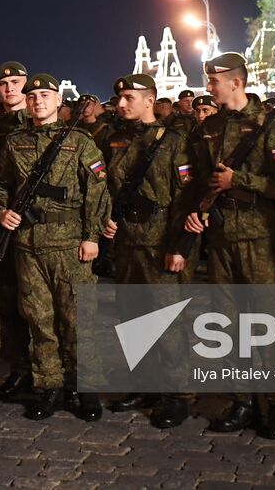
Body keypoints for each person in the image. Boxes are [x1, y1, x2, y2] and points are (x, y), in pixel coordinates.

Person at [167, 54, 275, 438]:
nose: (209, 87)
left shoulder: (271, 125)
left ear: (235, 82)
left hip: (257, 235)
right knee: (228, 322)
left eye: (214, 81)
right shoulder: (208, 128)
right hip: (219, 236)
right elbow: (198, 180)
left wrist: (242, 180)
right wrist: (194, 214)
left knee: (267, 323)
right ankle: (242, 401)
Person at [0, 73, 109, 422]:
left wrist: (92, 236)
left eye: (45, 95)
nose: (38, 101)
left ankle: (84, 387)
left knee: (78, 320)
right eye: (32, 97)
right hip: (28, 245)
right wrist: (2, 211)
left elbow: (98, 191)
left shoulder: (80, 142)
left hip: (70, 243)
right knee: (39, 320)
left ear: (59, 101)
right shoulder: (14, 143)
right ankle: (50, 386)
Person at [100, 72, 194, 430]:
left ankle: (178, 394)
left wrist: (178, 246)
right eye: (119, 98)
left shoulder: (172, 141)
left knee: (166, 321)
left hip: (159, 243)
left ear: (150, 100)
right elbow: (109, 186)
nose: (121, 104)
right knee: (133, 317)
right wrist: (107, 220)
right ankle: (145, 385)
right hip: (127, 241)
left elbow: (184, 199)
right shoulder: (115, 139)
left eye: (129, 98)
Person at [0, 61, 34, 399]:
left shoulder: (41, 123)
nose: (10, 89)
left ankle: (51, 369)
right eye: (4, 84)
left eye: (16, 82)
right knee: (7, 301)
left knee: (41, 303)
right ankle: (19, 368)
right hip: (3, 224)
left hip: (37, 226)